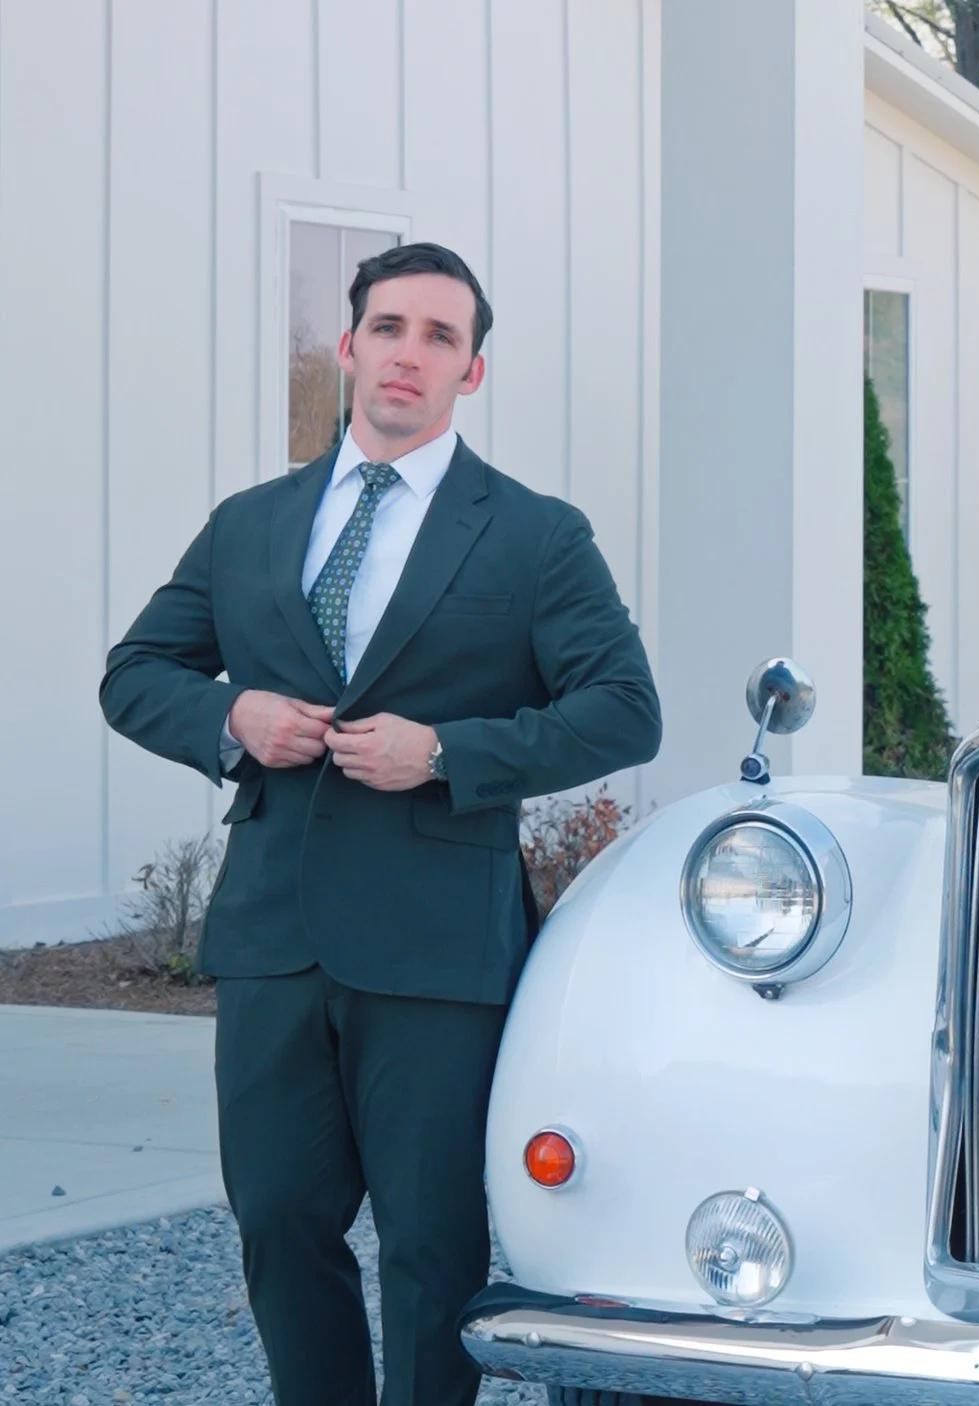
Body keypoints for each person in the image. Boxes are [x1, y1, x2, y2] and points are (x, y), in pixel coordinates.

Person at [99, 242, 661, 1406]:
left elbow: (623, 710)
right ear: (347, 347)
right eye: (391, 327)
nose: (410, 353)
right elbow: (136, 671)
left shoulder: (534, 534)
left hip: (438, 945)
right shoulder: (250, 524)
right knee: (278, 1223)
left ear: (473, 372)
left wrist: (450, 751)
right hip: (272, 934)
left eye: (440, 336)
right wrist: (232, 713)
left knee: (428, 1246)